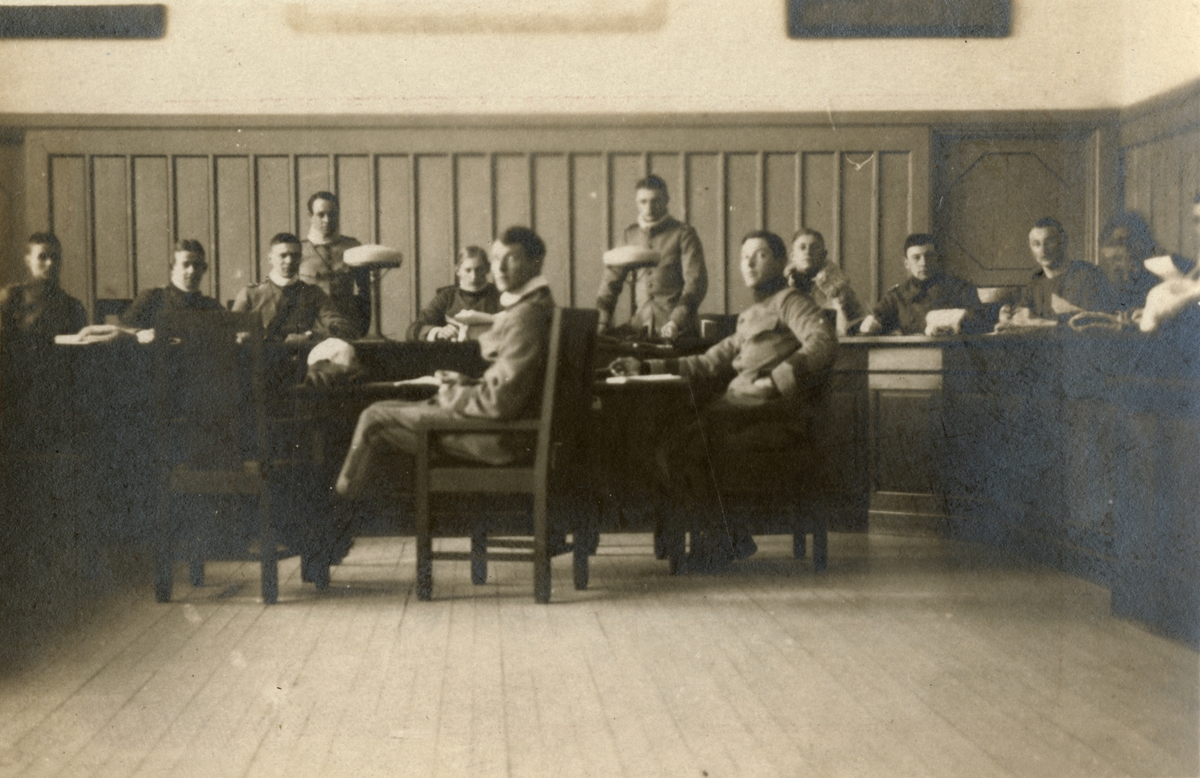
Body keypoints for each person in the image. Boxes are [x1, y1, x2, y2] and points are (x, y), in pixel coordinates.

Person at [609, 230, 837, 571]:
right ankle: (727, 535)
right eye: (744, 257)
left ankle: (723, 539)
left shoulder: (791, 302)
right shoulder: (750, 316)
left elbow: (823, 341)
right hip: (737, 410)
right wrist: (642, 366)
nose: (749, 263)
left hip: (770, 413)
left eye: (760, 255)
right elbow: (707, 362)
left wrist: (776, 380)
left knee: (683, 442)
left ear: (780, 262)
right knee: (669, 437)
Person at [335, 226, 555, 499]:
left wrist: (451, 393)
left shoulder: (525, 316)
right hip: (513, 429)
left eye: (510, 258)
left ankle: (340, 510)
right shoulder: (540, 305)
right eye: (497, 258)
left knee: (374, 417)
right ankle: (353, 510)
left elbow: (499, 402)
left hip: (502, 438)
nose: (499, 268)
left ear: (535, 262)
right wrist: (467, 382)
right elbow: (512, 385)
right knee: (383, 418)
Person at [596, 174, 707, 341]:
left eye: (655, 201)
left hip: (677, 329)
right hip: (640, 326)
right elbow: (610, 283)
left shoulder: (683, 234)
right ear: (637, 203)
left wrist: (675, 322)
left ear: (666, 200)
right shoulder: (629, 235)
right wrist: (602, 321)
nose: (649, 208)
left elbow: (695, 283)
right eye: (643, 202)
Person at [231, 232, 355, 343]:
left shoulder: (312, 293)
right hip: (260, 359)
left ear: (301, 259)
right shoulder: (251, 294)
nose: (289, 261)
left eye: (295, 256)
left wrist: (309, 336)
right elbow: (228, 331)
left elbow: (342, 328)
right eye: (283, 255)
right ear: (270, 258)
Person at [860, 233, 979, 335]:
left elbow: (978, 323)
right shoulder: (896, 296)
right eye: (916, 258)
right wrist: (872, 325)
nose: (923, 263)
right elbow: (874, 321)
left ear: (938, 259)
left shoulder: (960, 289)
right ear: (907, 264)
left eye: (929, 256)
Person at [1007, 217, 1114, 320]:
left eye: (1049, 241)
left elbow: (1096, 323)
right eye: (1036, 244)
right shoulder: (1035, 282)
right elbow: (1021, 313)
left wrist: (1038, 322)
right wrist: (1008, 316)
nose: (1043, 250)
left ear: (1064, 241)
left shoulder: (1089, 275)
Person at [298, 191, 368, 337]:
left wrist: (361, 327)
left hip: (346, 327)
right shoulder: (299, 250)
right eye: (321, 214)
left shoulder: (352, 247)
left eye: (332, 214)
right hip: (311, 328)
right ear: (310, 216)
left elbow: (365, 292)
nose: (327, 220)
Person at [0, 232, 87, 346]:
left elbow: (79, 351)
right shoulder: (10, 298)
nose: (50, 263)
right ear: (28, 260)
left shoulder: (73, 307)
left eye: (55, 257)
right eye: (42, 257)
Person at [120, 239, 224, 332]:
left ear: (204, 269)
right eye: (186, 264)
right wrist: (139, 333)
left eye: (196, 265)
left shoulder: (212, 306)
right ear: (172, 268)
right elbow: (122, 330)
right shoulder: (152, 299)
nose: (192, 270)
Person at [1100, 212, 1193, 313]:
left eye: (1117, 259)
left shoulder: (1177, 266)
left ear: (1137, 248)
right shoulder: (1126, 283)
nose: (1114, 267)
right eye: (1109, 261)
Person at [406, 245, 502, 342]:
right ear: (457, 271)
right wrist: (437, 332)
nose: (473, 276)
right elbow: (412, 330)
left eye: (479, 269)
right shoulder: (447, 297)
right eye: (468, 270)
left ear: (487, 268)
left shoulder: (500, 295)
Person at [787, 228, 864, 336]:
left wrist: (836, 296)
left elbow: (857, 322)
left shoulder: (839, 288)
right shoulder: (781, 287)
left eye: (814, 248)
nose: (808, 252)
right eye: (802, 247)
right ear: (793, 256)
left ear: (823, 255)